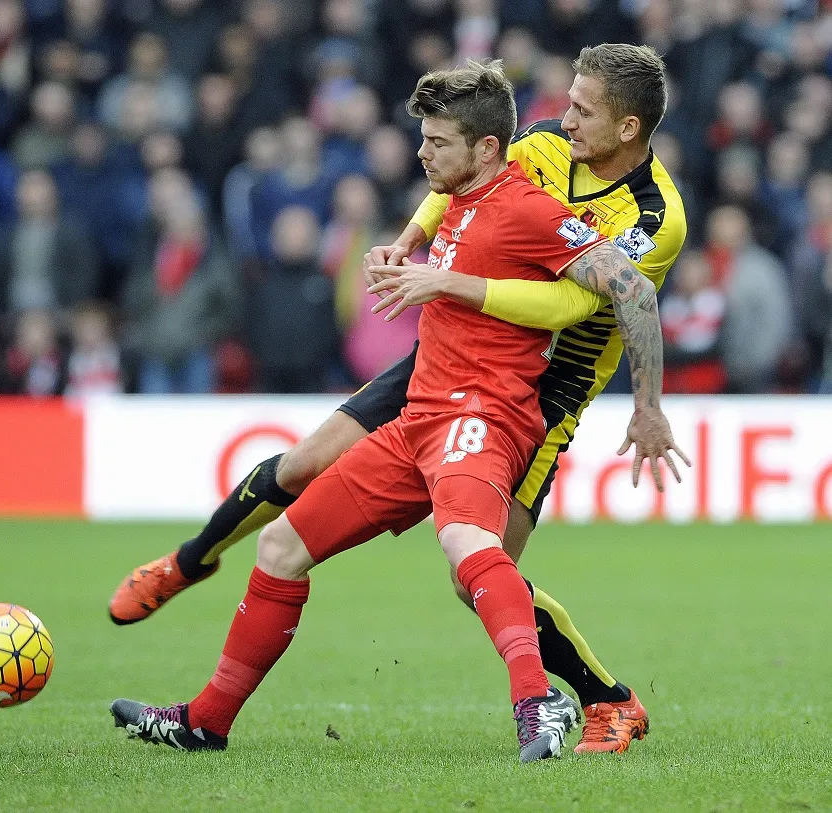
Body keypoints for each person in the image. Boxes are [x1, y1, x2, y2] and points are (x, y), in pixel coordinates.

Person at [110, 43, 688, 755]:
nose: (562, 119)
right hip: (444, 365)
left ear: (628, 127)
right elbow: (457, 177)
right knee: (300, 477)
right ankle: (188, 573)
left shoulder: (653, 215)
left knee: (473, 569)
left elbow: (581, 302)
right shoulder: (530, 149)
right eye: (566, 102)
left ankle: (601, 699)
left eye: (582, 110)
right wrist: (410, 240)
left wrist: (644, 404)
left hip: (537, 383)